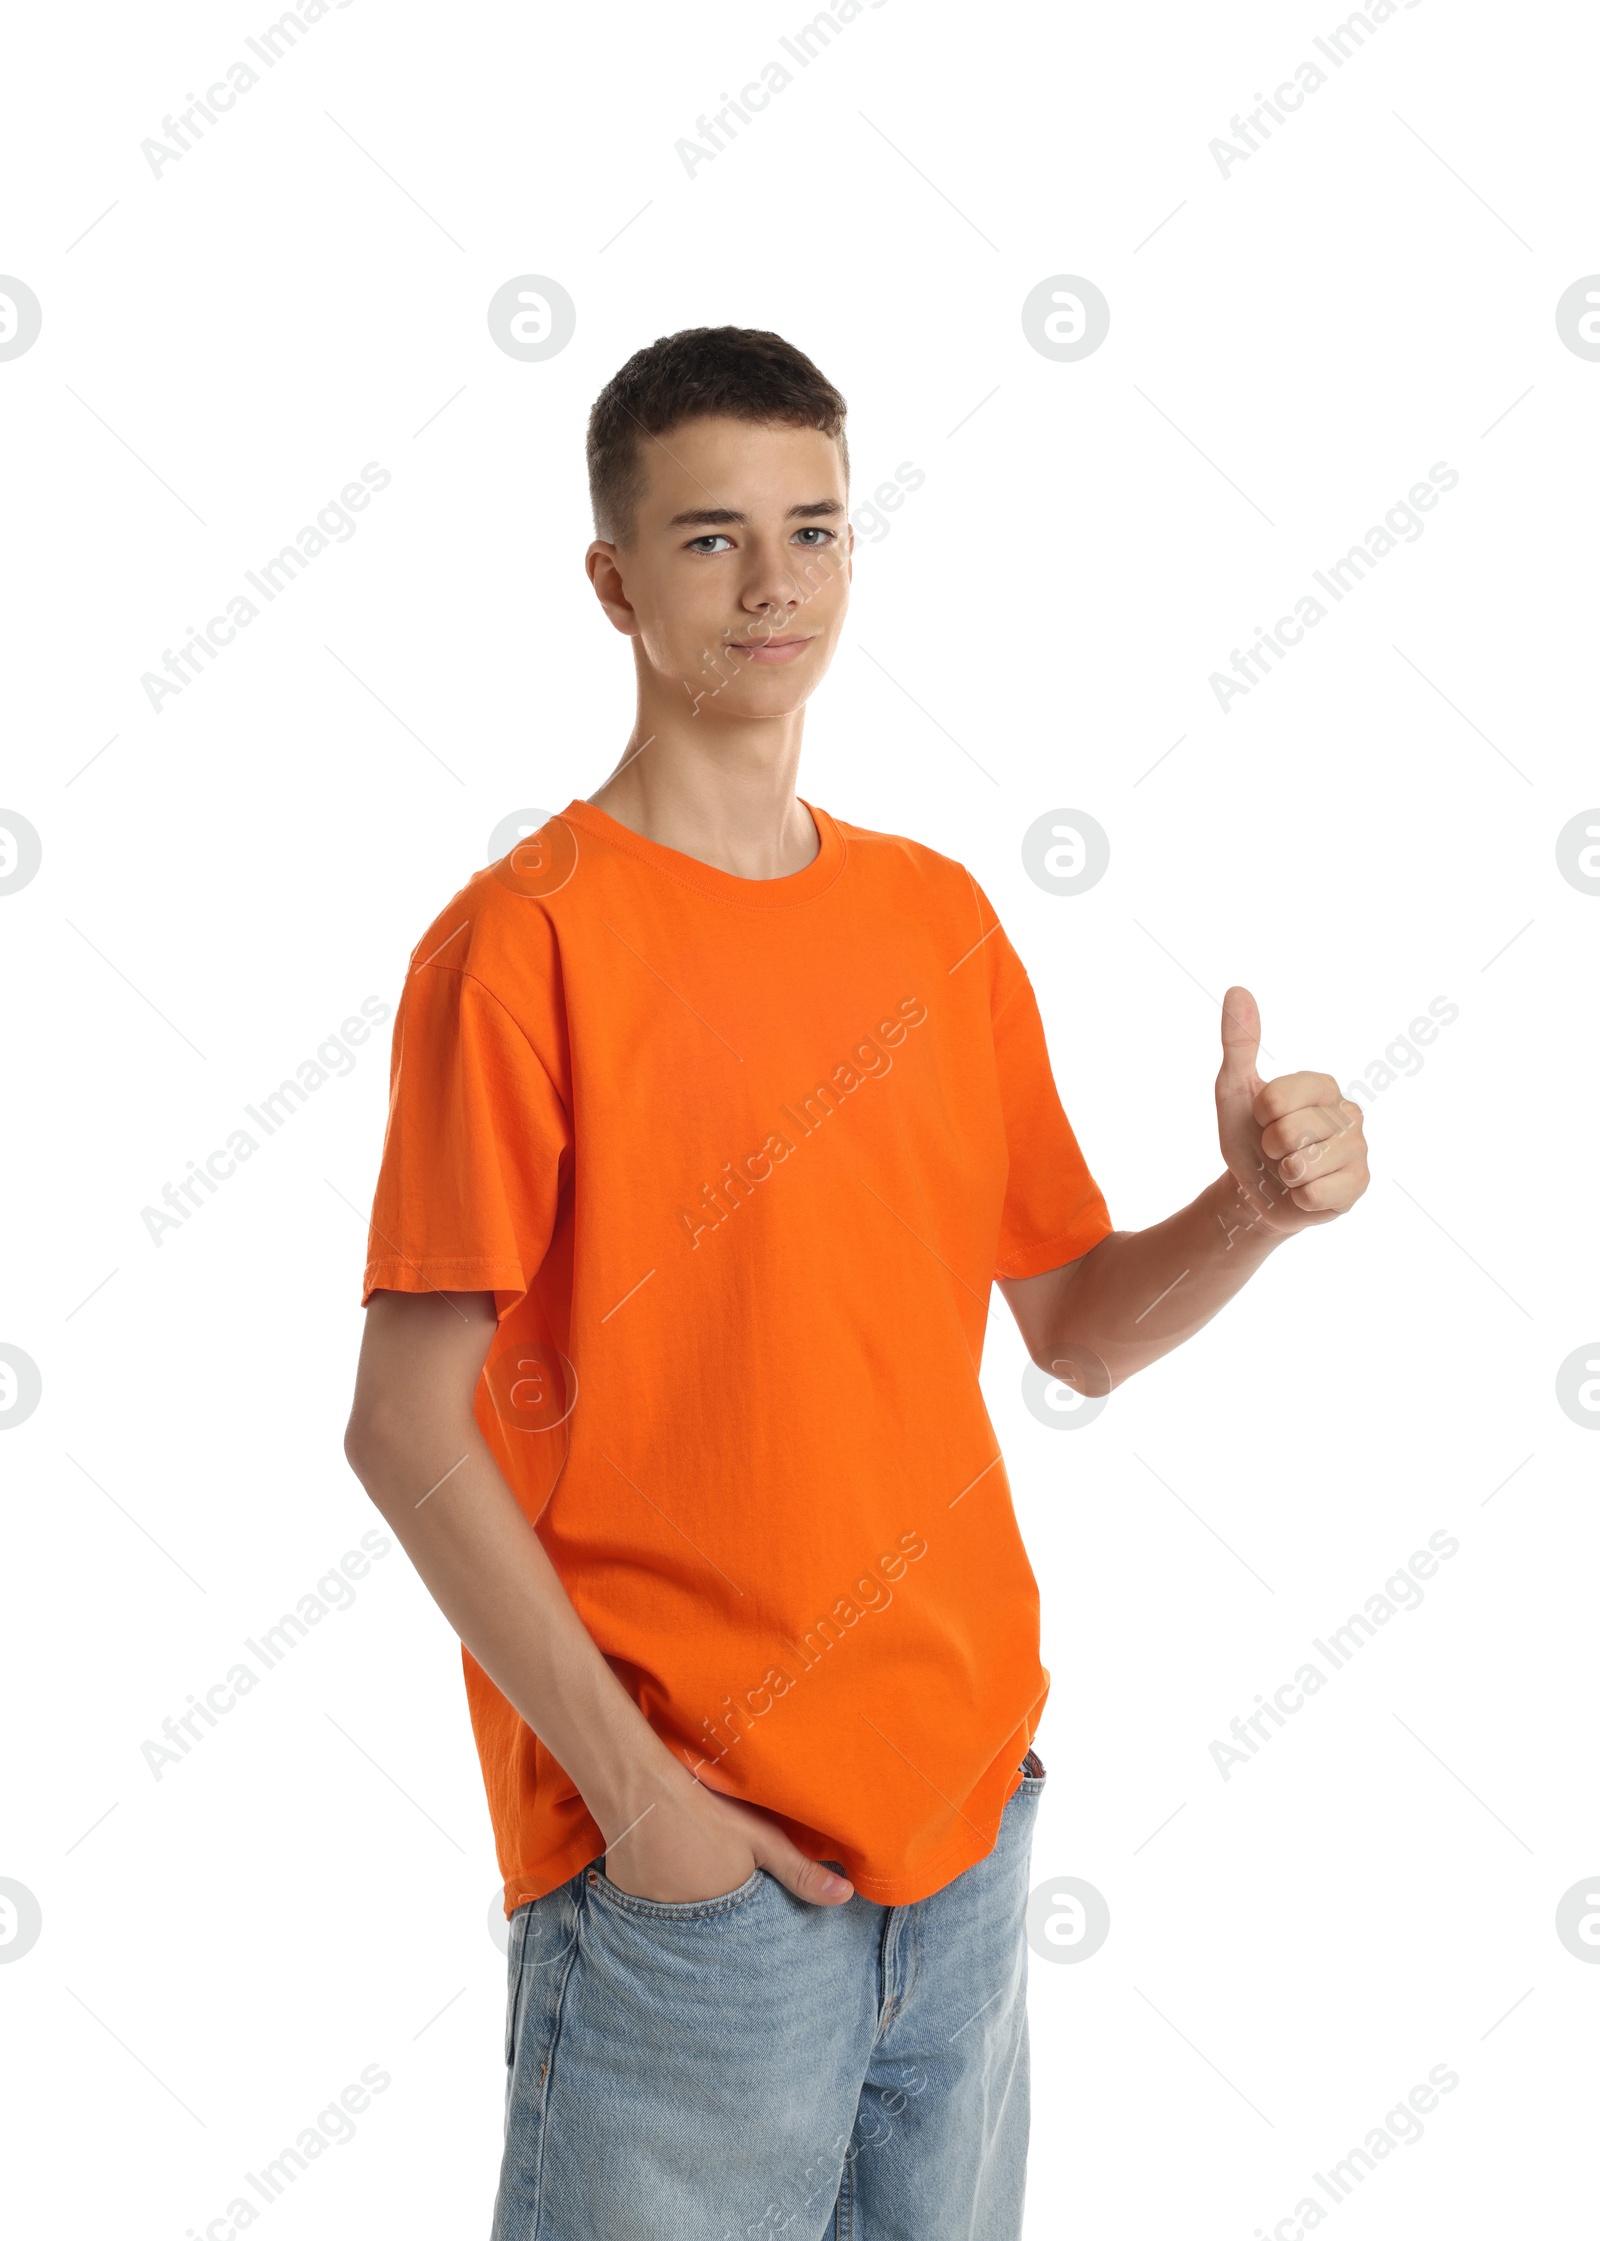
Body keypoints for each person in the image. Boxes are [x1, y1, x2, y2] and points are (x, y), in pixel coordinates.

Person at [342, 325, 1370, 2239]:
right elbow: (402, 1426)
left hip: (969, 1845)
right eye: (714, 537)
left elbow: (1073, 1323)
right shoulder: (523, 949)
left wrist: (1249, 1210)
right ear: (614, 583)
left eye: (813, 530)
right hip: (690, 1896)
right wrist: (642, 1811)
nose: (776, 585)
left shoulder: (936, 920)